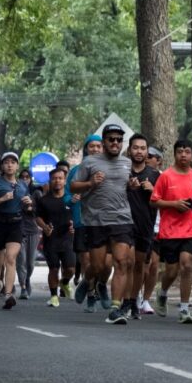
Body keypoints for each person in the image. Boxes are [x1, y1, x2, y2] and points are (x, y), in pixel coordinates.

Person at [71, 124, 135, 325]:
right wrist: (90, 183)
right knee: (98, 266)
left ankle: (115, 308)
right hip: (95, 221)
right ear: (104, 142)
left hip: (122, 219)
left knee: (121, 262)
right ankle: (90, 280)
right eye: (111, 139)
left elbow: (128, 186)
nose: (115, 142)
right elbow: (73, 186)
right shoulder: (90, 162)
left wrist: (132, 186)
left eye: (118, 139)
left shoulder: (127, 163)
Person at [150, 139, 192, 324]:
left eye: (187, 151)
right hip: (169, 230)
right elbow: (153, 201)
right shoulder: (166, 176)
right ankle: (162, 293)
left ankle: (184, 309)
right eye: (180, 151)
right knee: (171, 271)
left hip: (190, 228)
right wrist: (174, 204)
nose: (183, 155)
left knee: (187, 265)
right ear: (175, 154)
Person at [0, 152, 34, 310]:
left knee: (11, 258)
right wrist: (2, 199)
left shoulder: (22, 185)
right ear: (2, 166)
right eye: (6, 162)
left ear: (17, 166)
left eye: (13, 162)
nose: (10, 165)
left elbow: (29, 208)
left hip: (16, 224)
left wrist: (28, 204)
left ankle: (8, 293)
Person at [65, 135, 104, 312]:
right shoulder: (75, 171)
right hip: (81, 222)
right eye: (92, 146)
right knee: (87, 261)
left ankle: (92, 284)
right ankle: (90, 294)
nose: (95, 149)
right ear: (86, 149)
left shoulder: (108, 169)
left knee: (101, 264)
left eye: (98, 146)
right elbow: (65, 196)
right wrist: (71, 199)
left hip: (102, 222)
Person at [125, 133, 159, 319]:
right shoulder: (122, 171)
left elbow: (162, 202)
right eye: (136, 148)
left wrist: (153, 192)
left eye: (143, 148)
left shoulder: (155, 175)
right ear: (129, 150)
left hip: (145, 226)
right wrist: (126, 186)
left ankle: (132, 301)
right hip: (124, 225)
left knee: (139, 266)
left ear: (147, 152)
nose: (139, 151)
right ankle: (124, 302)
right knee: (126, 263)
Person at [35, 168, 76, 308]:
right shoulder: (44, 200)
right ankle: (53, 296)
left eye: (60, 178)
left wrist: (75, 225)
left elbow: (79, 215)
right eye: (54, 178)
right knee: (53, 268)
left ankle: (64, 283)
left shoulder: (71, 199)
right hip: (51, 238)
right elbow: (38, 217)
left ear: (65, 181)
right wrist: (44, 226)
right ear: (50, 181)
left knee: (70, 268)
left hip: (68, 238)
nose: (57, 181)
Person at [139, 146, 164, 314]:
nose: (146, 158)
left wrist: (153, 190)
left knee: (154, 265)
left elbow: (171, 200)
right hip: (141, 226)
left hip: (159, 227)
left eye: (150, 156)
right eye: (145, 156)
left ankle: (146, 299)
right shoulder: (136, 175)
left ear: (158, 160)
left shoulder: (164, 177)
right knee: (141, 265)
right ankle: (136, 295)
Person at [15, 168, 43, 300]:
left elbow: (42, 211)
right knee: (21, 260)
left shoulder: (36, 193)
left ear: (31, 178)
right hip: (18, 229)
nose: (25, 179)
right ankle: (23, 288)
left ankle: (27, 280)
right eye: (22, 177)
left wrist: (32, 207)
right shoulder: (15, 192)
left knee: (30, 263)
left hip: (33, 230)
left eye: (27, 177)